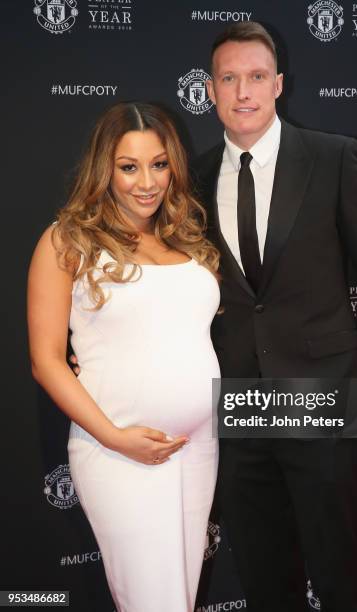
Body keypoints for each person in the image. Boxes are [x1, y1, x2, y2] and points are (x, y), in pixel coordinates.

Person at [191, 22, 357, 612]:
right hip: (238, 411)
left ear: (279, 84)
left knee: (344, 578)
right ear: (209, 89)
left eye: (257, 77)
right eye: (229, 78)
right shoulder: (190, 177)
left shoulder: (334, 158)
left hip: (325, 403)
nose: (244, 92)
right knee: (266, 584)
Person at [27, 102, 221, 612]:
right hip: (117, 450)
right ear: (104, 168)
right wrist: (114, 437)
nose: (147, 182)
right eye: (129, 166)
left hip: (197, 446)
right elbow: (46, 361)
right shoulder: (67, 242)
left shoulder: (187, 241)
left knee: (178, 597)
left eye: (159, 164)